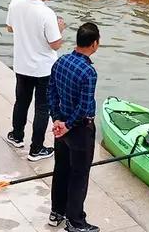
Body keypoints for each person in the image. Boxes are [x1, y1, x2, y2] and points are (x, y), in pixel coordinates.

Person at [47, 22, 101, 232]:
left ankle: (56, 212)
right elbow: (85, 107)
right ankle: (76, 221)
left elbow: (51, 92)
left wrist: (57, 119)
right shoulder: (88, 72)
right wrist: (68, 125)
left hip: (61, 127)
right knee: (79, 175)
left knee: (61, 169)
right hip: (78, 130)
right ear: (94, 44)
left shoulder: (60, 62)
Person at [5, 0, 64, 162]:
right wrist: (60, 28)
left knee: (21, 101)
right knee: (42, 107)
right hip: (43, 68)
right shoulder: (47, 13)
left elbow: (10, 28)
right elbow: (55, 44)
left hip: (22, 64)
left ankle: (17, 135)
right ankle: (36, 148)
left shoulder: (16, 3)